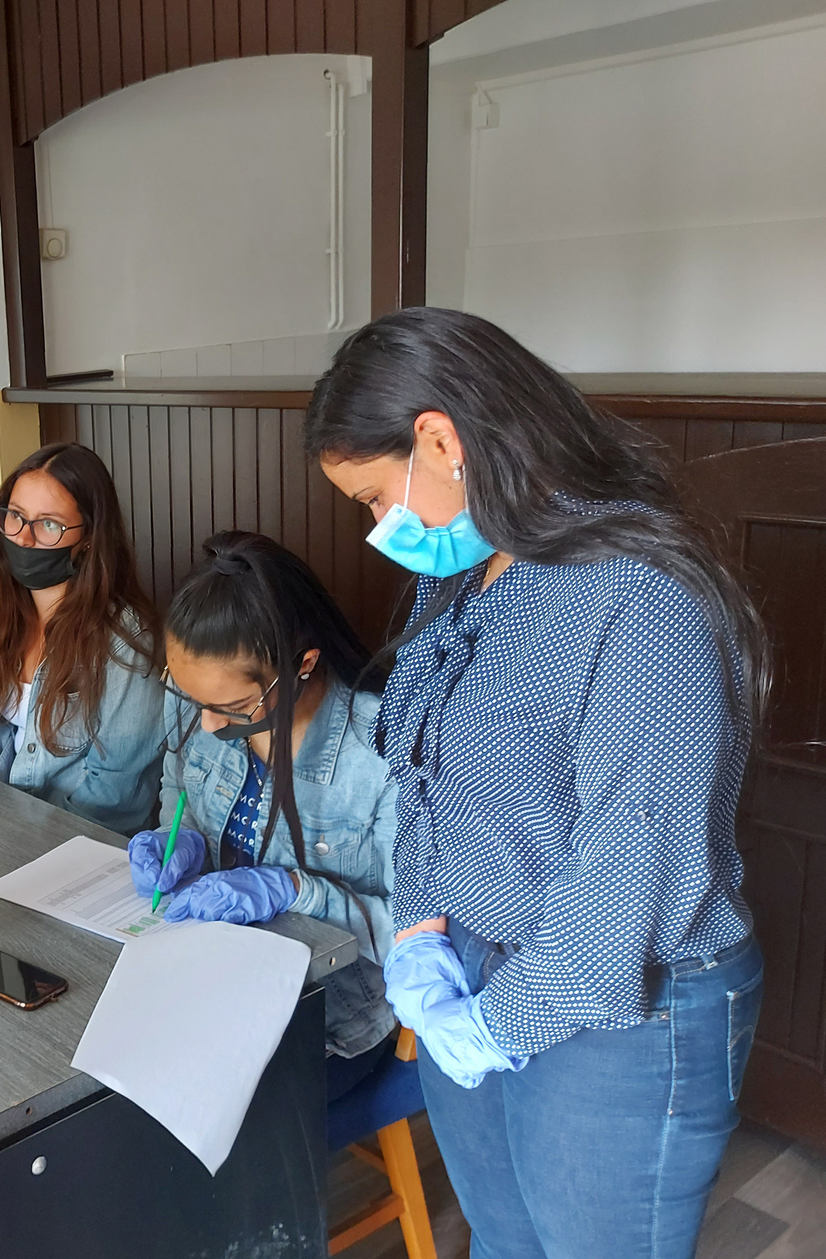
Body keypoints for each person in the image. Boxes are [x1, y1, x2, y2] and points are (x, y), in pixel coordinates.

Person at [307, 306, 767, 1258]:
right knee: (501, 1238)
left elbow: (633, 862)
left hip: (620, 999)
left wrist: (499, 1022)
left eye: (373, 498)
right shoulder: (467, 570)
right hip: (475, 958)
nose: (379, 528)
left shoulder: (639, 594)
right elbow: (426, 772)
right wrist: (421, 929)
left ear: (441, 440)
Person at [129, 531, 397, 1095]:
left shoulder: (383, 752)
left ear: (304, 664)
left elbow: (417, 936)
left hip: (327, 1018)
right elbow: (178, 801)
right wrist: (180, 842)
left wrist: (295, 890)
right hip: (204, 977)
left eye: (232, 707)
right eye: (191, 697)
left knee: (171, 1093)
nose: (206, 725)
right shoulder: (201, 707)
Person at [0, 443, 165, 833]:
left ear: (88, 537)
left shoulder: (126, 640)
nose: (24, 538)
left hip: (76, 843)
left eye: (49, 525)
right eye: (15, 516)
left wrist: (25, 844)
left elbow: (116, 798)